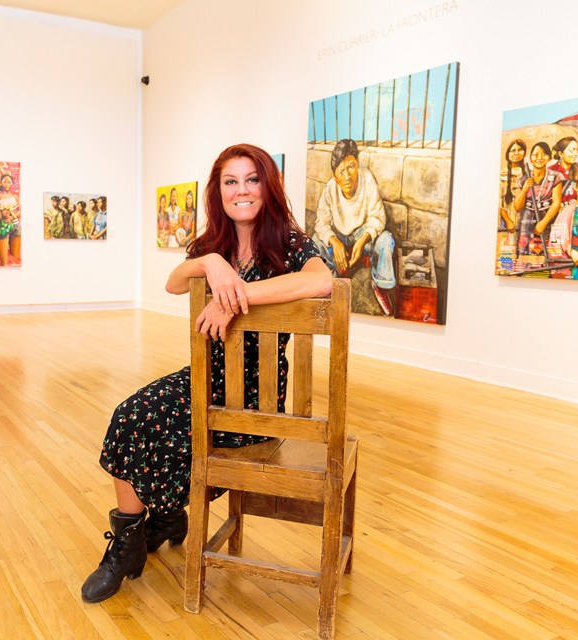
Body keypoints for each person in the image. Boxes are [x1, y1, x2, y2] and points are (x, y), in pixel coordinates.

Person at [80, 143, 332, 604]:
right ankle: (130, 539)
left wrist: (237, 294)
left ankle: (166, 518)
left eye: (252, 179)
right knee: (129, 414)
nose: (242, 190)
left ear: (268, 185)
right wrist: (212, 264)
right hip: (203, 377)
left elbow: (321, 281)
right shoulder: (210, 245)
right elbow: (174, 282)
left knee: (178, 438)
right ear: (219, 191)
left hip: (257, 396)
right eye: (230, 181)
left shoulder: (291, 242)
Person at [312, 138, 396, 315]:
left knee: (386, 240)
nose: (347, 176)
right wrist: (334, 241)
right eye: (341, 171)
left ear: (357, 164)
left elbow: (378, 217)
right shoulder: (330, 188)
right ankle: (332, 281)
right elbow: (321, 221)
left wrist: (363, 238)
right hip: (340, 237)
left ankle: (381, 285)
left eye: (351, 167)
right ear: (335, 175)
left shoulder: (367, 179)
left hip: (362, 236)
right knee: (315, 241)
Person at [513, 141, 564, 262]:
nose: (539, 158)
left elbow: (556, 202)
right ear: (530, 157)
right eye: (535, 154)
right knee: (525, 256)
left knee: (549, 256)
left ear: (549, 157)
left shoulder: (555, 176)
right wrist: (525, 189)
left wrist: (543, 223)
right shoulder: (524, 179)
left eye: (544, 154)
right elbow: (517, 207)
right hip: (527, 220)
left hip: (548, 219)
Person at [499, 139, 528, 232]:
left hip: (525, 219)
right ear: (508, 154)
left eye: (519, 150)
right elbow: (498, 202)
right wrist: (508, 221)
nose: (516, 153)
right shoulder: (502, 175)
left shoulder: (528, 174)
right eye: (513, 150)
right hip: (507, 219)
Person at [0, 173, 20, 264]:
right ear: (1, 182)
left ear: (12, 184)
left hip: (16, 226)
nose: (7, 184)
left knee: (15, 257)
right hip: (3, 225)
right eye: (4, 181)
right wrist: (2, 214)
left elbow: (20, 212)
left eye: (9, 182)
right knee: (3, 259)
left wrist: (12, 217)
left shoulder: (15, 196)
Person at [550, 136, 578, 208]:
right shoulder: (551, 171)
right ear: (560, 154)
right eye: (571, 150)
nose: (575, 154)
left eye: (576, 150)